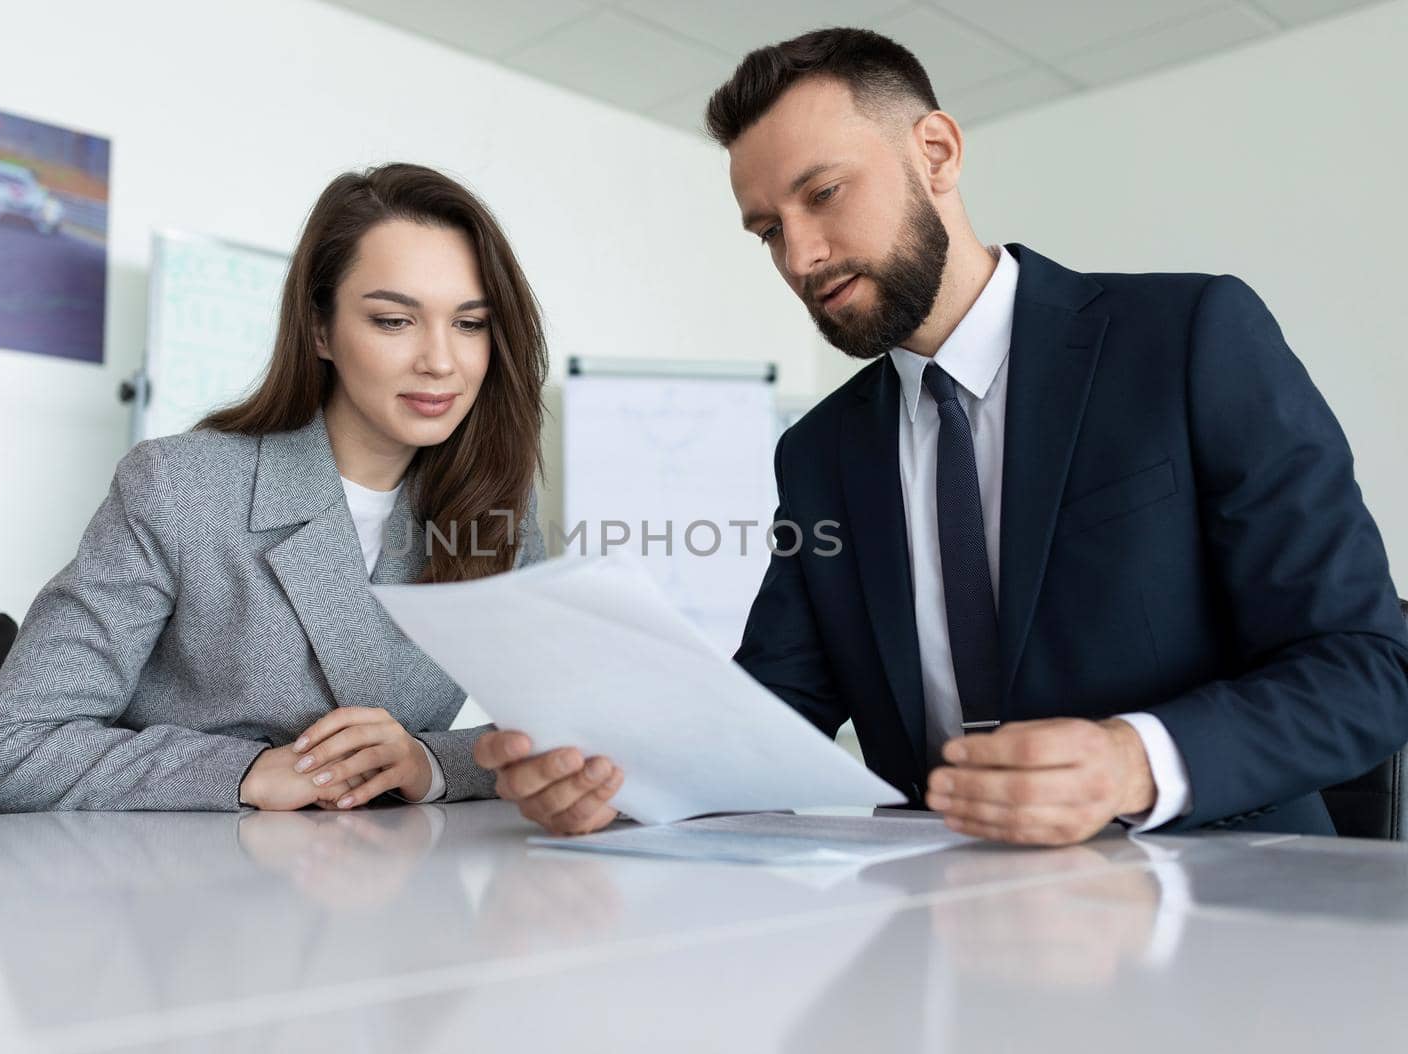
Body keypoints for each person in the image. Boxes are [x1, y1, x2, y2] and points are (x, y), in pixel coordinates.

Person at [475, 28, 1408, 843]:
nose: (800, 257)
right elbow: (770, 714)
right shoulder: (820, 452)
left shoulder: (1190, 337)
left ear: (937, 152)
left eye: (825, 193)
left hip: (1223, 919)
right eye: (767, 231)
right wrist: (617, 778)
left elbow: (1366, 666)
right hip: (941, 928)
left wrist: (1134, 761)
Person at [0, 162, 552, 813]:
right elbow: (10, 750)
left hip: (387, 888)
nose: (441, 360)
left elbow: (555, 737)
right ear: (321, 329)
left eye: (470, 324)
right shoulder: (178, 487)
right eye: (394, 320)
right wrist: (246, 771)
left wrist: (428, 761)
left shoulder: (495, 511)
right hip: (181, 890)